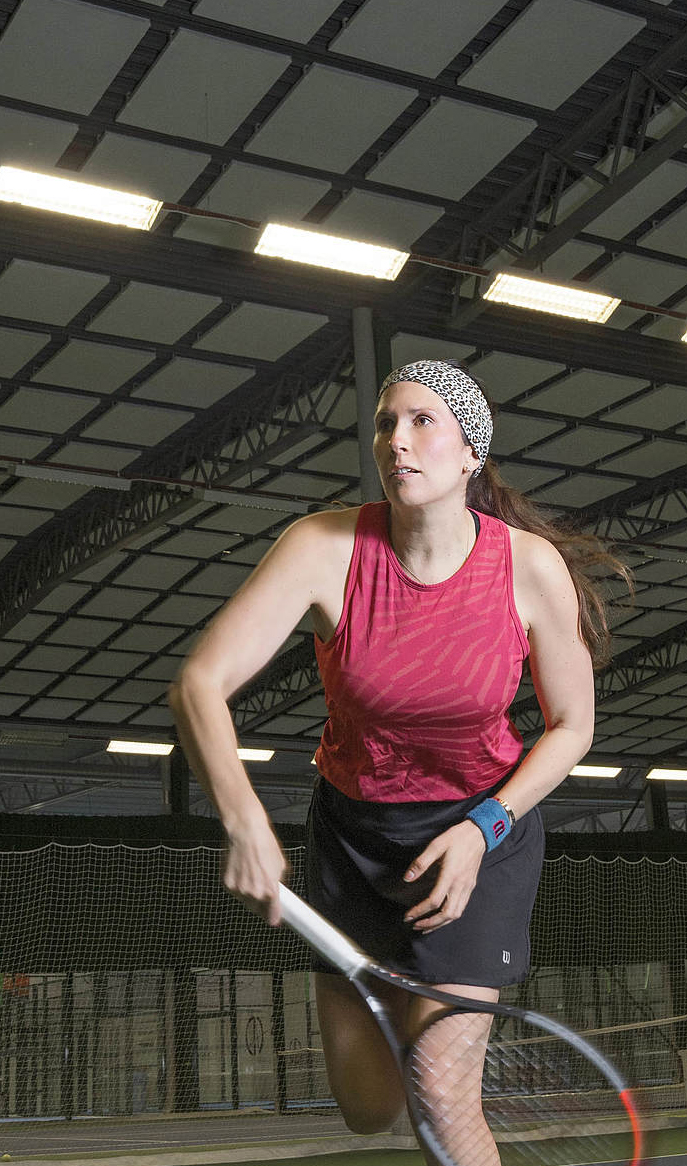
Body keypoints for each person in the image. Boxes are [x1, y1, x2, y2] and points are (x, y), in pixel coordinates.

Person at [169, 358, 626, 1159]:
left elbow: (573, 727)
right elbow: (198, 682)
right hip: (355, 840)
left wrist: (483, 829)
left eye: (422, 421)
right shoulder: (321, 547)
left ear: (471, 452)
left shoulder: (528, 568)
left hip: (479, 835)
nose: (396, 441)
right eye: (385, 423)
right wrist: (242, 820)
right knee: (368, 1106)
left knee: (443, 1096)